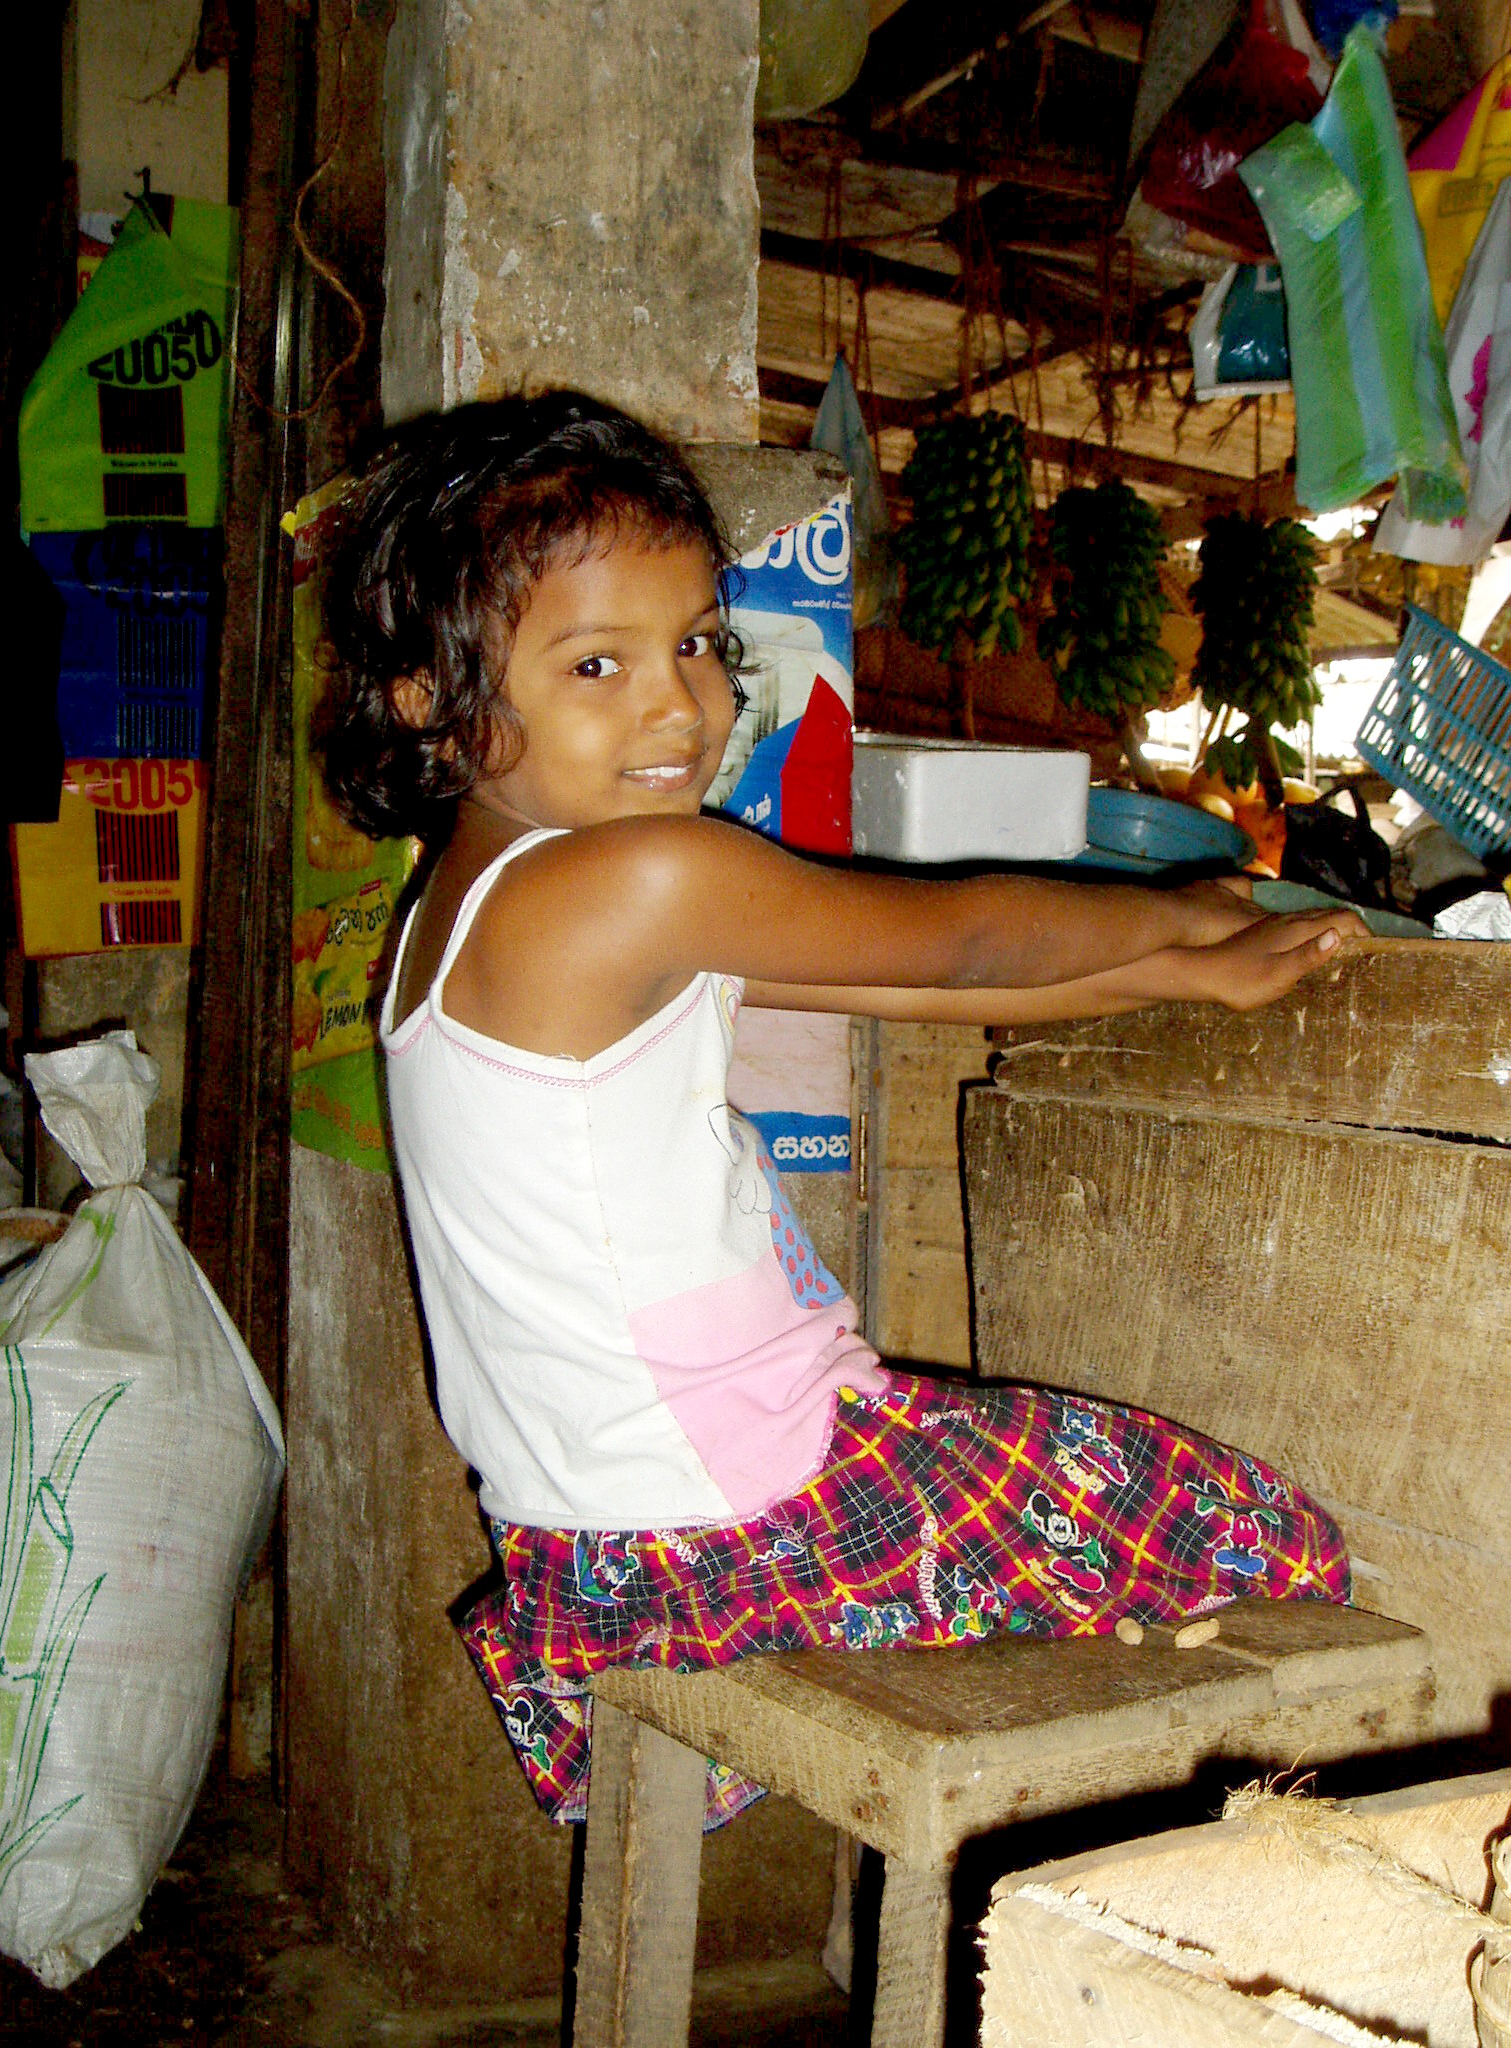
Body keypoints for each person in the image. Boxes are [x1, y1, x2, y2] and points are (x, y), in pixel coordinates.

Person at [324, 392, 1361, 1828]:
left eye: (692, 641)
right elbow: (965, 941)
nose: (676, 704)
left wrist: (1185, 976)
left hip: (601, 1545)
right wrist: (1179, 914)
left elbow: (909, 991)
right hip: (755, 1516)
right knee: (1274, 1544)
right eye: (596, 663)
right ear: (429, 698)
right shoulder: (628, 882)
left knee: (1091, 1509)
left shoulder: (474, 907)